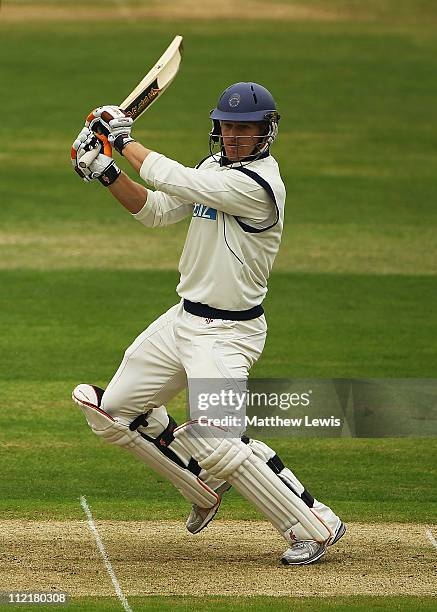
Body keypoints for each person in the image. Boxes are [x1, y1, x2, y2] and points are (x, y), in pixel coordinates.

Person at [70, 82, 345, 565]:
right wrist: (106, 170)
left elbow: (175, 177)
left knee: (218, 439)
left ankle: (315, 524)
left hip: (228, 332)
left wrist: (121, 139)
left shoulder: (258, 185)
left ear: (266, 132)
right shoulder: (213, 167)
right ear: (217, 127)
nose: (236, 135)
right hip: (184, 320)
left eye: (247, 128)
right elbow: (155, 210)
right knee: (114, 415)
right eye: (229, 126)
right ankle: (201, 486)